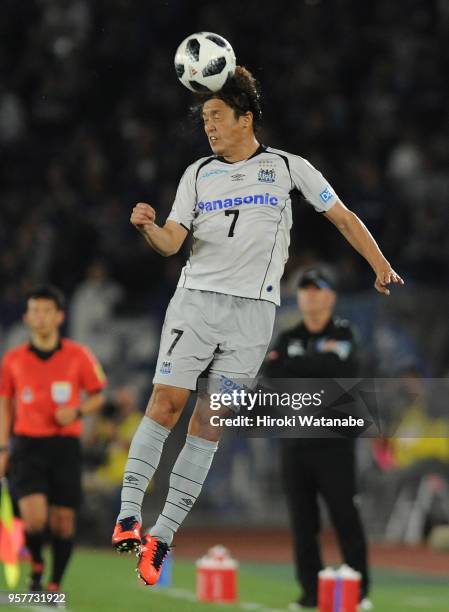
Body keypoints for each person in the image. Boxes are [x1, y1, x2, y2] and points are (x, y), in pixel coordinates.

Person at [111, 66, 403, 586]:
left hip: (253, 314)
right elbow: (173, 242)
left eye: (217, 116)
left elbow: (342, 216)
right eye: (205, 118)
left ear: (246, 118)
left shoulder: (289, 168)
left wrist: (379, 263)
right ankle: (128, 515)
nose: (209, 127)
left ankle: (162, 536)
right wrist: (150, 229)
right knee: (165, 402)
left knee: (210, 422)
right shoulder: (197, 174)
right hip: (196, 302)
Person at [263, 267, 371, 610]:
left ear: (331, 296)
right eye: (305, 289)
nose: (309, 294)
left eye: (317, 288)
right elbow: (273, 375)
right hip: (295, 444)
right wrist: (316, 365)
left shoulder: (344, 332)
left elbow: (341, 372)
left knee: (344, 516)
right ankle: (311, 593)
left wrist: (298, 366)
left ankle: (358, 592)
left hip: (335, 445)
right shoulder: (288, 334)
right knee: (302, 524)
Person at [0, 285, 106, 592]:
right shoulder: (13, 360)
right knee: (34, 521)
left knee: (62, 523)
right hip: (27, 445)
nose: (41, 317)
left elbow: (98, 396)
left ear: (59, 316)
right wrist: (3, 447)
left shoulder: (78, 355)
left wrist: (76, 412)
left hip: (64, 447)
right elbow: (5, 405)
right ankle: (36, 562)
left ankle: (54, 583)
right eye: (35, 311)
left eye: (47, 311)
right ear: (26, 317)